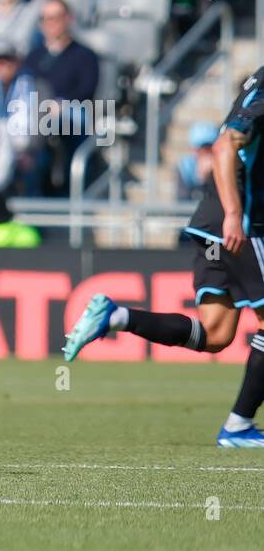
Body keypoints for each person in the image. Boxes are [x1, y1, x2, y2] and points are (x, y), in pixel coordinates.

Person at [64, 68, 264, 446]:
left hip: (210, 224)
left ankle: (116, 315)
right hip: (237, 225)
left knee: (217, 333)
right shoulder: (262, 95)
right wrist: (235, 215)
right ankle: (238, 426)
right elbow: (223, 147)